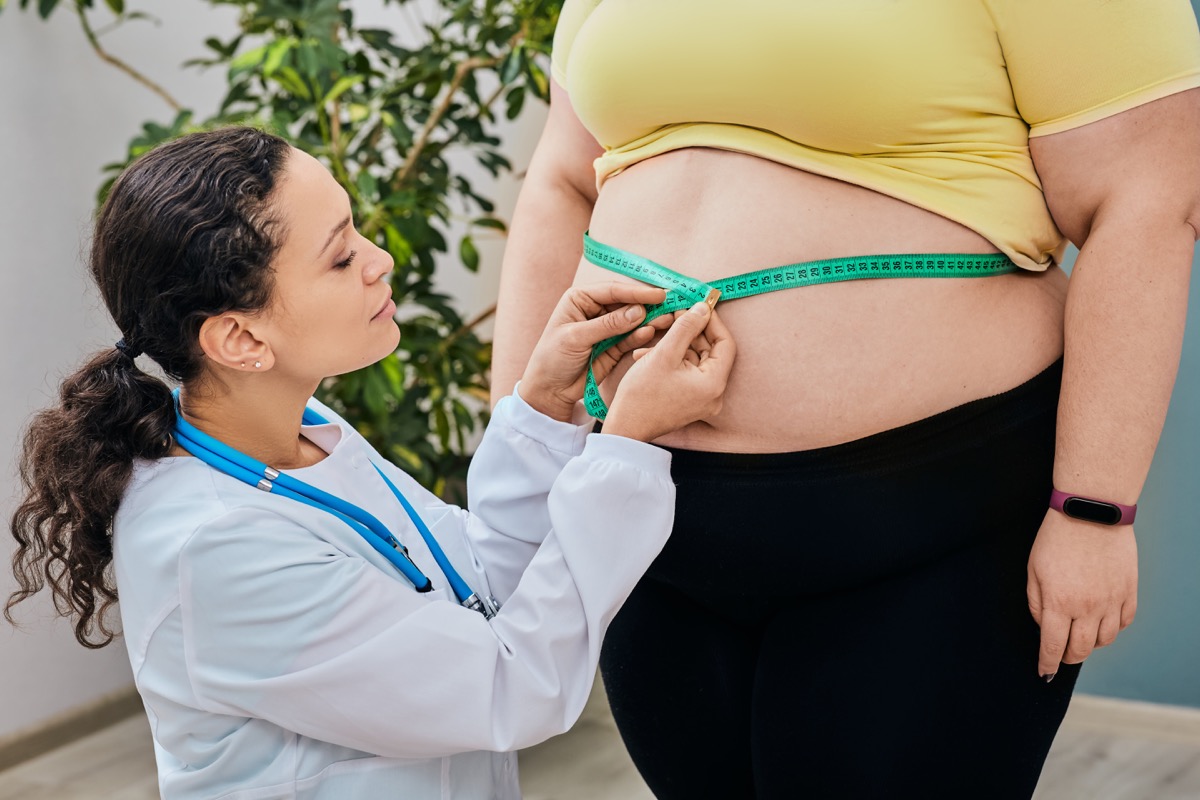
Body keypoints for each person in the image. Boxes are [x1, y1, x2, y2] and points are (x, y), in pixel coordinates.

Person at [489, 1, 1200, 797]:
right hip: (641, 520)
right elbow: (560, 179)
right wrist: (522, 452)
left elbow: (1147, 197)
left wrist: (1093, 510)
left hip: (930, 523)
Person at [5, 125, 735, 799]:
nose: (381, 260)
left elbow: (476, 587)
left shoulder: (301, 433)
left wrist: (544, 406)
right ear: (240, 339)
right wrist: (627, 444)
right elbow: (509, 688)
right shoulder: (215, 548)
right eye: (341, 256)